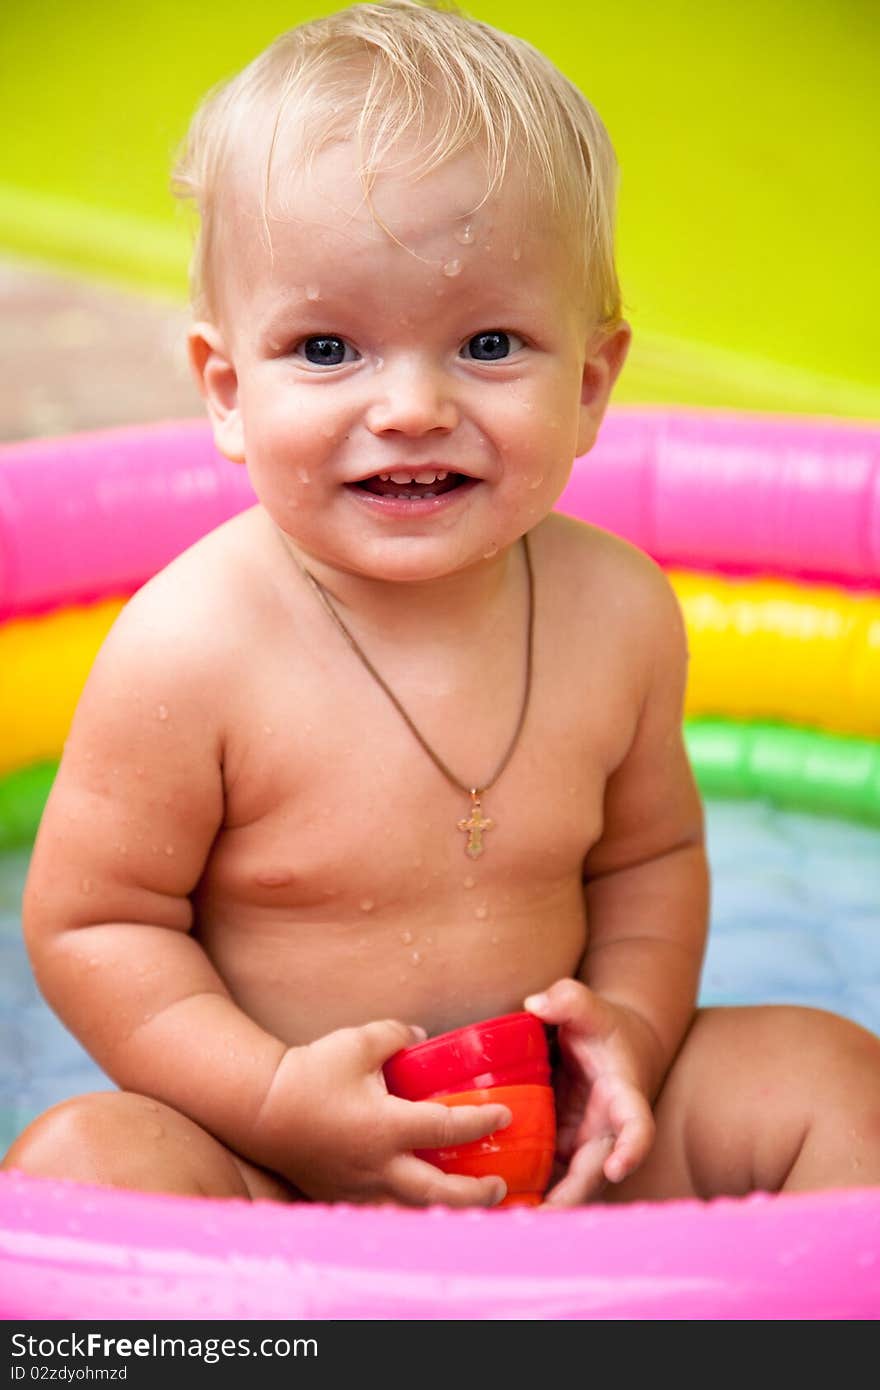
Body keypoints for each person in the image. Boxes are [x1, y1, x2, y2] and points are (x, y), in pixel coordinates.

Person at [5, 0, 880, 1209]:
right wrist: (269, 1100)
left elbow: (651, 859)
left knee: (833, 1074)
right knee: (79, 1167)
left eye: (486, 343)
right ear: (224, 387)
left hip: (577, 1152)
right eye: (325, 349)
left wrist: (627, 1030)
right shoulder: (192, 646)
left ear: (587, 383)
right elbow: (97, 926)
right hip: (278, 1170)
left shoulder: (618, 610)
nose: (411, 405)